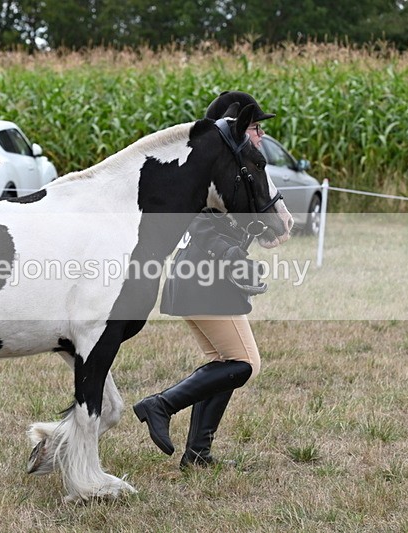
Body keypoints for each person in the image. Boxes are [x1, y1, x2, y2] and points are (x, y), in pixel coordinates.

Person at [133, 91, 287, 469]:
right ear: (232, 130)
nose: (261, 135)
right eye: (254, 128)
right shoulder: (207, 174)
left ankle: (198, 453)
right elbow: (202, 226)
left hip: (198, 279)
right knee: (245, 363)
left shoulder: (228, 172)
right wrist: (235, 257)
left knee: (223, 363)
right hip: (205, 279)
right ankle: (160, 404)